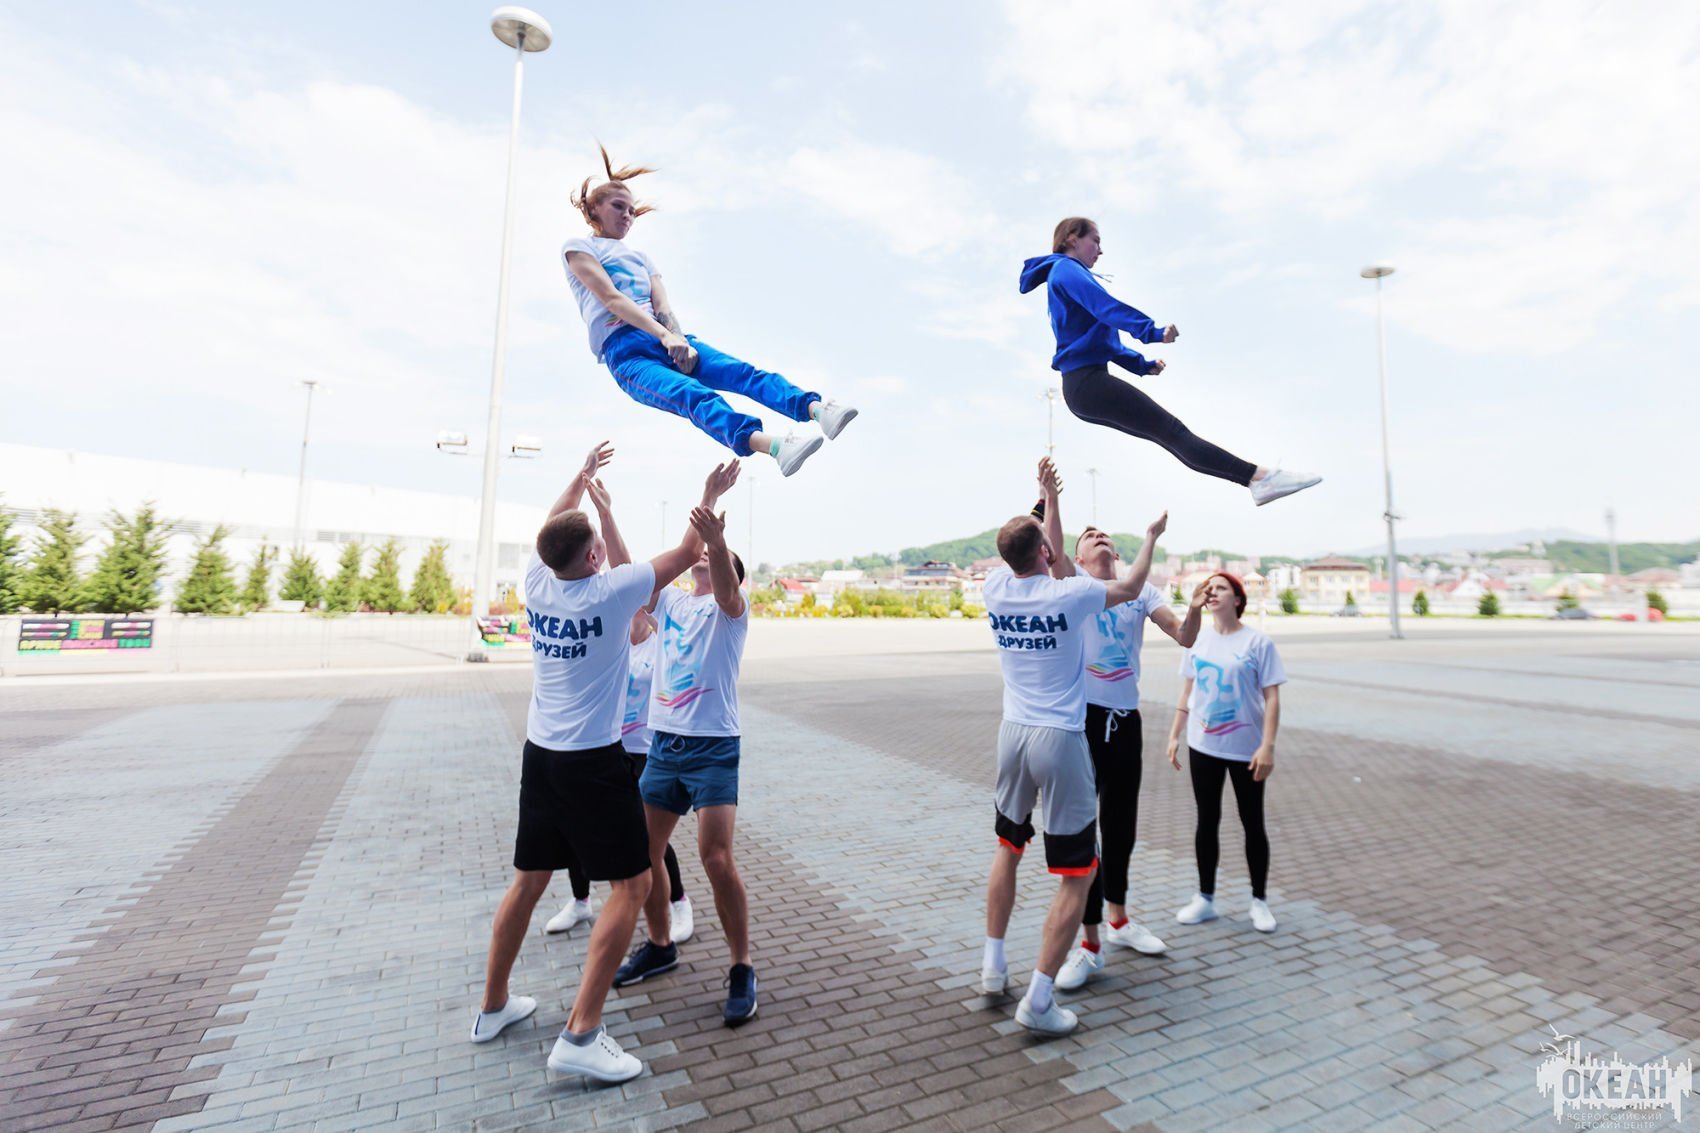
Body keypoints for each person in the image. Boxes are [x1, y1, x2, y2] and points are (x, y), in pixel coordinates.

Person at [470, 442, 738, 1085]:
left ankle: (492, 1006)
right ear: (593, 558)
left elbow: (553, 527)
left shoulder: (537, 582)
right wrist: (710, 495)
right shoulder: (611, 592)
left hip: (540, 757)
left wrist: (578, 479)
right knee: (633, 886)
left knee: (527, 881)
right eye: (595, 542)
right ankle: (582, 1033)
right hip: (592, 763)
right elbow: (687, 552)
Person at [980, 457, 1167, 1037]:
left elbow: (1033, 545)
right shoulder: (1072, 596)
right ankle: (1039, 999)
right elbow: (1131, 587)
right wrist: (1151, 539)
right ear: (1047, 554)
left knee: (1008, 848)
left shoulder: (994, 587)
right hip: (1060, 738)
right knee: (1078, 871)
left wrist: (1044, 501)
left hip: (1011, 735)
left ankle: (992, 967)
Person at [563, 146, 858, 477]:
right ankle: (777, 447)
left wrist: (677, 339)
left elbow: (662, 306)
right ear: (594, 208)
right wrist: (665, 337)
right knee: (692, 395)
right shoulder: (579, 248)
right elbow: (611, 298)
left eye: (632, 210)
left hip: (669, 337)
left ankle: (818, 410)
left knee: (742, 373)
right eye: (618, 207)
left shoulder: (642, 259)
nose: (628, 216)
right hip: (627, 352)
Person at [1018, 217, 1320, 506]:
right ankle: (1259, 478)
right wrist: (1151, 331)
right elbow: (1107, 309)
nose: (1100, 249)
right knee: (1173, 432)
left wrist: (1141, 364)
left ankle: (1257, 480)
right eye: (1095, 240)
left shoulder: (1066, 274)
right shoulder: (1066, 270)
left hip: (1084, 385)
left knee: (1170, 435)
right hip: (1087, 383)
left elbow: (1099, 338)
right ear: (1072, 239)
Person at [1043, 474, 1206, 992]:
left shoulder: (1142, 592)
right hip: (1083, 720)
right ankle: (1089, 944)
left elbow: (1184, 636)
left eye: (1105, 535)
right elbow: (1052, 550)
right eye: (1089, 537)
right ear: (1078, 557)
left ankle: (1118, 919)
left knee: (1121, 826)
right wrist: (1051, 499)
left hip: (1125, 720)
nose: (1100, 537)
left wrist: (1195, 608)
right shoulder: (1075, 586)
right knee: (1084, 829)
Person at [611, 497, 759, 1026]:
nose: (703, 561)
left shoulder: (730, 612)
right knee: (643, 852)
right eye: (703, 556)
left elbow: (726, 586)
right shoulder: (671, 604)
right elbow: (628, 576)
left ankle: (741, 966)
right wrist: (607, 513)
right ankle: (660, 944)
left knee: (715, 858)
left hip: (713, 747)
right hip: (665, 746)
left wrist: (718, 543)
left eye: (718, 561)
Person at [544, 606, 693, 942]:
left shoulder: (662, 644)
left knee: (648, 834)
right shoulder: (609, 642)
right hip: (604, 746)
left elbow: (686, 672)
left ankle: (679, 902)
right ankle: (580, 901)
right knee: (581, 825)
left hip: (646, 750)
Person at [1166, 571, 1288, 933]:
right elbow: (1187, 692)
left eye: (1221, 588)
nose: (1213, 592)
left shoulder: (1258, 643)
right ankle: (1205, 898)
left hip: (1246, 748)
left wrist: (1268, 746)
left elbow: (1272, 697)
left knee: (1252, 822)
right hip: (1203, 745)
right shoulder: (1197, 640)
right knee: (1207, 820)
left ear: (1238, 599)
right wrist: (1174, 734)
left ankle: (1259, 901)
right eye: (1209, 588)